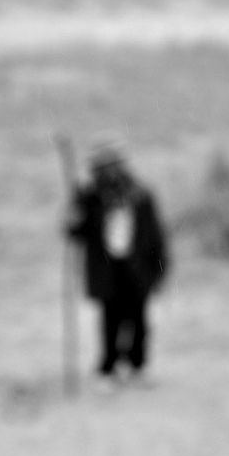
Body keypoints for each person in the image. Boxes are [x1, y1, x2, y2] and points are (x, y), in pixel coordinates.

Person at [65, 137, 168, 382]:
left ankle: (137, 366)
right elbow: (77, 232)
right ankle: (108, 368)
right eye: (103, 167)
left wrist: (159, 268)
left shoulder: (140, 194)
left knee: (138, 319)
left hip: (137, 267)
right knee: (110, 320)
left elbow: (155, 235)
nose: (109, 172)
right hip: (107, 268)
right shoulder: (90, 199)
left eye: (112, 165)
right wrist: (74, 217)